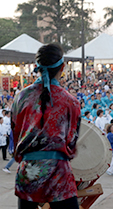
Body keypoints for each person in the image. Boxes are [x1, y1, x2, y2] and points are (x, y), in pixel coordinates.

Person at [11, 44, 81, 208]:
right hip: (58, 173)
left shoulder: (21, 97)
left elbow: (15, 135)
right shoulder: (71, 101)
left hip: (28, 172)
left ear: (37, 67)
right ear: (62, 67)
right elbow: (71, 143)